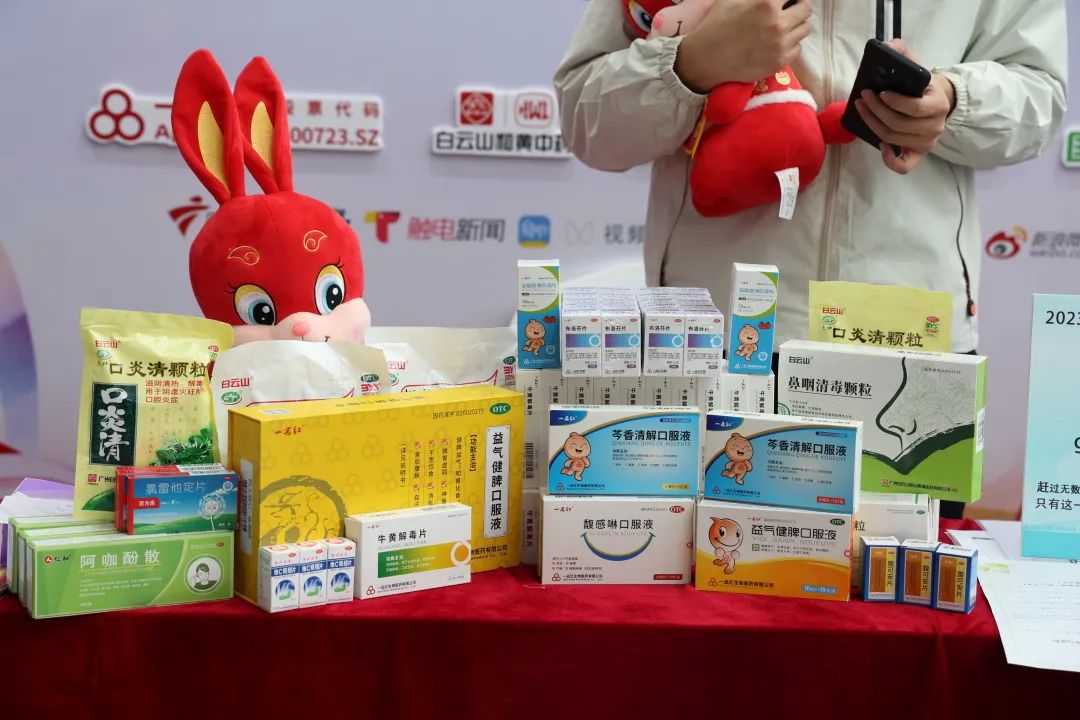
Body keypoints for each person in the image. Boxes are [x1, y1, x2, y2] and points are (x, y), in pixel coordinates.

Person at [555, 0, 1067, 518]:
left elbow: (1040, 96)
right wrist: (691, 64)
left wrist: (955, 100)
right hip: (716, 338)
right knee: (698, 564)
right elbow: (585, 115)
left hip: (910, 345)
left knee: (905, 564)